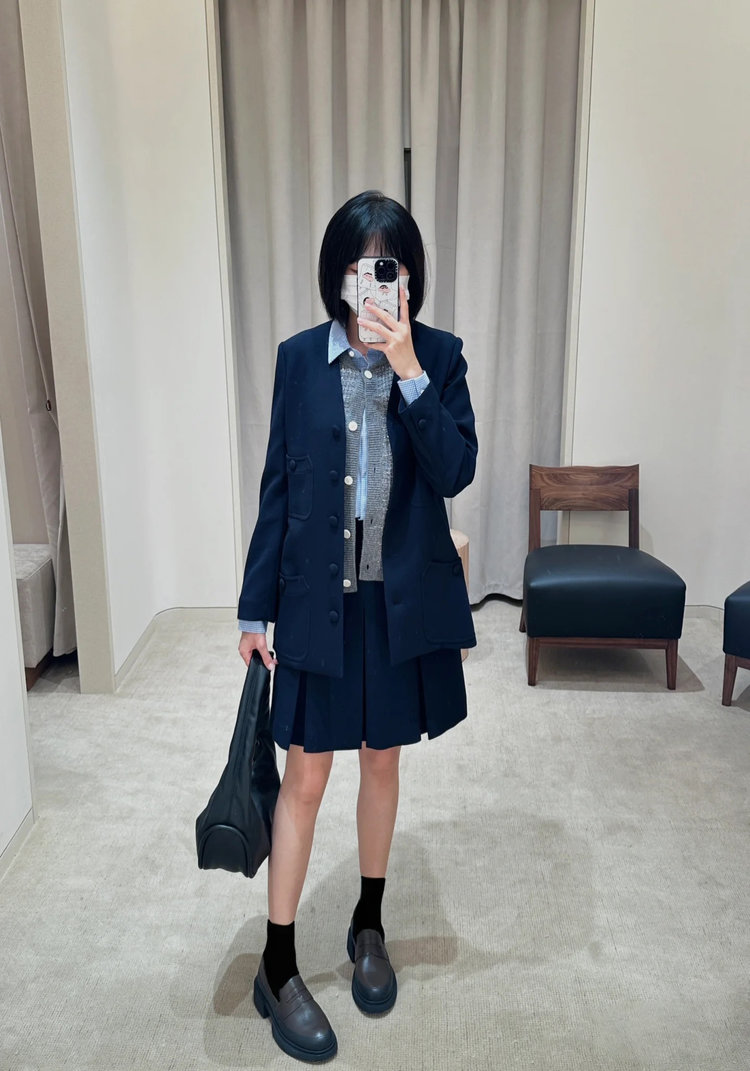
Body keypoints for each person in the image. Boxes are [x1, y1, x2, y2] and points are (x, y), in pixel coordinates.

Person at [237, 189, 477, 1062]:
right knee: (305, 777)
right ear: (335, 276)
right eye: (358, 266)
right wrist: (253, 604)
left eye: (388, 266)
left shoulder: (439, 357)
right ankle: (277, 965)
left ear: (409, 279)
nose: (372, 281)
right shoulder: (300, 360)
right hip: (315, 603)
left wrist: (408, 367)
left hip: (396, 605)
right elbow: (279, 486)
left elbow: (455, 468)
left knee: (382, 760)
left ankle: (368, 923)